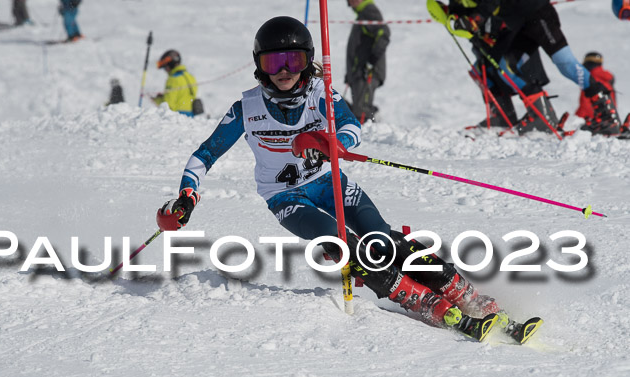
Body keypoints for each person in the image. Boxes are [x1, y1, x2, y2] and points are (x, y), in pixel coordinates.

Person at [156, 16, 514, 343]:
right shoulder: (245, 109)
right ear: (259, 65)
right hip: (287, 198)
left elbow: (351, 127)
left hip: (331, 183)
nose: (284, 70)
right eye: (273, 62)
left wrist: (331, 144)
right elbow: (205, 154)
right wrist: (187, 195)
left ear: (307, 60)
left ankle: (467, 296)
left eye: (293, 61)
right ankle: (428, 304)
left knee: (385, 240)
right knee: (345, 245)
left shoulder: (321, 94)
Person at [446, 0, 622, 135]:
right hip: (515, 23)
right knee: (505, 67)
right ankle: (540, 115)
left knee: (565, 63)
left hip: (537, 12)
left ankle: (608, 115)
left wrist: (476, 18)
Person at [345, 0, 390, 123]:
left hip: (367, 71)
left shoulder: (369, 11)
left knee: (361, 110)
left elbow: (384, 33)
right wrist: (350, 74)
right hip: (358, 72)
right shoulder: (363, 14)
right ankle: (370, 123)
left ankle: (371, 128)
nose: (349, 4)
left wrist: (373, 59)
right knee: (357, 107)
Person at [152, 50, 199, 116]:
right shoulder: (191, 77)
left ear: (170, 65)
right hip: (190, 117)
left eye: (165, 67)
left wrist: (157, 100)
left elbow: (168, 105)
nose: (166, 70)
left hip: (177, 117)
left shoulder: (173, 79)